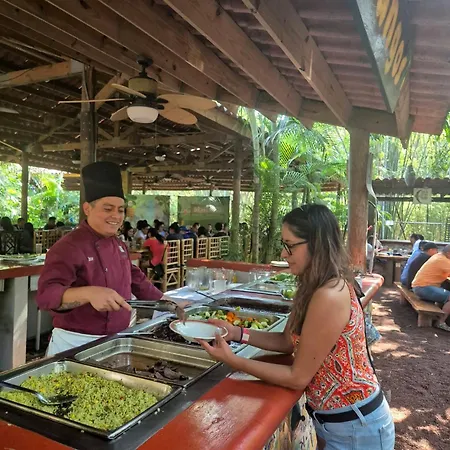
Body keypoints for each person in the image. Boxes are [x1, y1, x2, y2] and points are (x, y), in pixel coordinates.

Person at [199, 204, 395, 449]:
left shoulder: (330, 294)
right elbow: (286, 341)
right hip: (339, 423)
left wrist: (233, 361)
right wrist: (236, 333)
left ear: (316, 244)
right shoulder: (313, 286)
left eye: (290, 245)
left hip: (356, 428)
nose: (283, 253)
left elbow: (297, 378)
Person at [36, 161, 180, 356]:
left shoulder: (118, 244)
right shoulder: (68, 246)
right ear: (87, 209)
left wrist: (167, 301)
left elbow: (134, 277)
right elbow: (46, 295)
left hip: (117, 340)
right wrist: (88, 293)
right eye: (107, 208)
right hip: (75, 343)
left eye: (120, 210)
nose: (116, 216)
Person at [412, 244, 450, 331]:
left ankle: (438, 317)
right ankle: (440, 322)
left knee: (445, 292)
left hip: (420, 286)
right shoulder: (443, 260)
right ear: (448, 253)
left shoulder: (438, 256)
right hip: (423, 287)